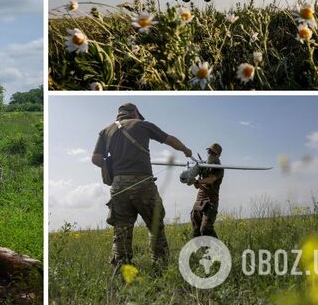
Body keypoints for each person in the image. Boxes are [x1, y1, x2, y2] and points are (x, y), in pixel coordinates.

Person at [91, 103, 192, 269]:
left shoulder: (106, 131)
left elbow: (95, 158)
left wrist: (111, 165)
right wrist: (185, 149)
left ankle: (121, 269)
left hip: (118, 185)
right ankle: (160, 266)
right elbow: (169, 139)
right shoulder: (143, 125)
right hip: (143, 183)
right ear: (135, 113)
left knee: (121, 230)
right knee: (155, 226)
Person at [190, 143, 224, 239]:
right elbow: (197, 186)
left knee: (205, 230)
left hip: (211, 201)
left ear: (218, 155)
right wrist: (193, 181)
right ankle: (201, 252)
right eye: (209, 151)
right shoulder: (203, 166)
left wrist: (198, 181)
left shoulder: (219, 168)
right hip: (199, 200)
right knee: (196, 231)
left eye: (213, 153)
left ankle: (219, 250)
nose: (210, 154)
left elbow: (211, 179)